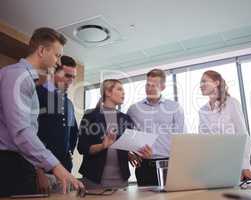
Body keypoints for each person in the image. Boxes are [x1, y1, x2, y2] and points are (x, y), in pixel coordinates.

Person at [0, 27, 83, 197]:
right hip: (10, 164)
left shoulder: (28, 80)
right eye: (57, 55)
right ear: (42, 50)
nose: (58, 62)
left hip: (24, 162)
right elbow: (22, 131)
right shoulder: (17, 77)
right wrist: (54, 166)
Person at [77, 79, 152, 189]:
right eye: (119, 89)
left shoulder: (126, 118)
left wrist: (138, 154)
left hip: (121, 181)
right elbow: (82, 148)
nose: (123, 93)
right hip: (93, 180)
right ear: (108, 92)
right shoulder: (90, 116)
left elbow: (126, 146)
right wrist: (102, 146)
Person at [127, 69, 186, 186]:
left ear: (163, 87)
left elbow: (182, 138)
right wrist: (129, 154)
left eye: (154, 85)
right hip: (144, 166)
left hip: (170, 165)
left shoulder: (175, 107)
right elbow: (125, 134)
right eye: (148, 84)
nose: (149, 88)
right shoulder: (134, 109)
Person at [198, 70, 251, 180]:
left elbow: (243, 136)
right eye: (200, 83)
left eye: (204, 81)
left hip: (235, 164)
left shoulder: (232, 103)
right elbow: (203, 142)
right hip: (213, 167)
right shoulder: (202, 111)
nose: (201, 85)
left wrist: (244, 166)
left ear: (216, 83)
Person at [35, 55, 79, 193]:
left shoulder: (69, 103)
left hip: (65, 167)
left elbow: (73, 132)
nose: (71, 81)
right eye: (67, 76)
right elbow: (28, 134)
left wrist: (69, 155)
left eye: (73, 77)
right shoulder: (37, 94)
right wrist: (38, 171)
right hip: (42, 169)